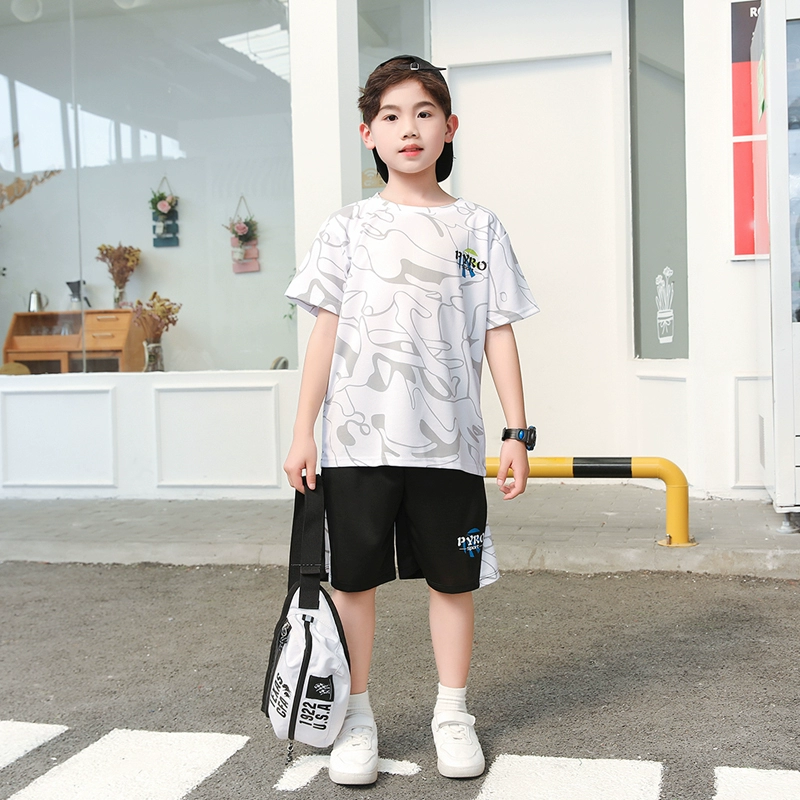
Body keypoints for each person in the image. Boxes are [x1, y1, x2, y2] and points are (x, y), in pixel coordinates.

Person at [283, 54, 539, 786]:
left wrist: (517, 433)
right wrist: (302, 432)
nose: (409, 129)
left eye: (424, 113)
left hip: (450, 443)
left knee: (453, 581)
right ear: (368, 133)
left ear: (449, 126)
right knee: (352, 583)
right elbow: (325, 334)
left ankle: (452, 714)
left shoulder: (477, 227)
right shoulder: (348, 228)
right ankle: (355, 719)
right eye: (391, 116)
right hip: (355, 439)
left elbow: (497, 330)